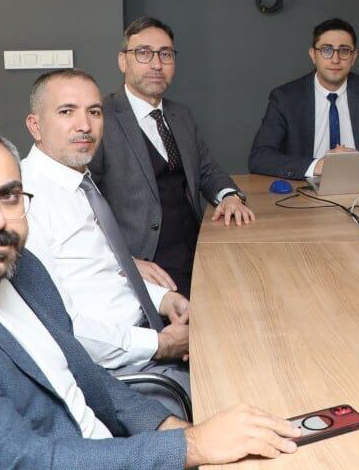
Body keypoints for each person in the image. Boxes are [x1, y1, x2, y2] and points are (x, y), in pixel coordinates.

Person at [0, 120, 299, 469]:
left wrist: (171, 430)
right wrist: (191, 449)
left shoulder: (15, 264)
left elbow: (86, 377)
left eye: (9, 196)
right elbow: (19, 462)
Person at [22, 69, 191, 401]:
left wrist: (164, 299)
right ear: (35, 125)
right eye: (66, 111)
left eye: (94, 112)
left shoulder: (77, 181)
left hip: (141, 336)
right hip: (115, 374)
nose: (84, 125)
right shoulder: (25, 204)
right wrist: (160, 344)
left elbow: (103, 271)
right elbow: (63, 328)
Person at [90, 17, 253, 296]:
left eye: (165, 54)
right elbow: (83, 205)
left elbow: (206, 169)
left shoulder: (181, 115)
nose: (157, 64)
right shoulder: (99, 118)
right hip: (145, 259)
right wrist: (123, 261)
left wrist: (229, 196)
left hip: (197, 246)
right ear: (122, 61)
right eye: (144, 53)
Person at [248, 17, 359, 179]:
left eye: (344, 51)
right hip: (305, 188)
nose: (335, 59)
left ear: (353, 57)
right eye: (326, 50)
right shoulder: (285, 98)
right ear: (313, 55)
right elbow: (260, 157)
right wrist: (317, 166)